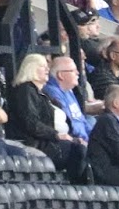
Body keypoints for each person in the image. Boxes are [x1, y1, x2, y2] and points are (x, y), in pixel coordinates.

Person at [7, 52, 90, 180]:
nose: (47, 69)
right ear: (31, 68)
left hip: (51, 141)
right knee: (79, 151)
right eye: (42, 66)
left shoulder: (42, 93)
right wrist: (55, 134)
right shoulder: (25, 90)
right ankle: (78, 188)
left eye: (47, 66)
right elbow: (31, 122)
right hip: (37, 143)